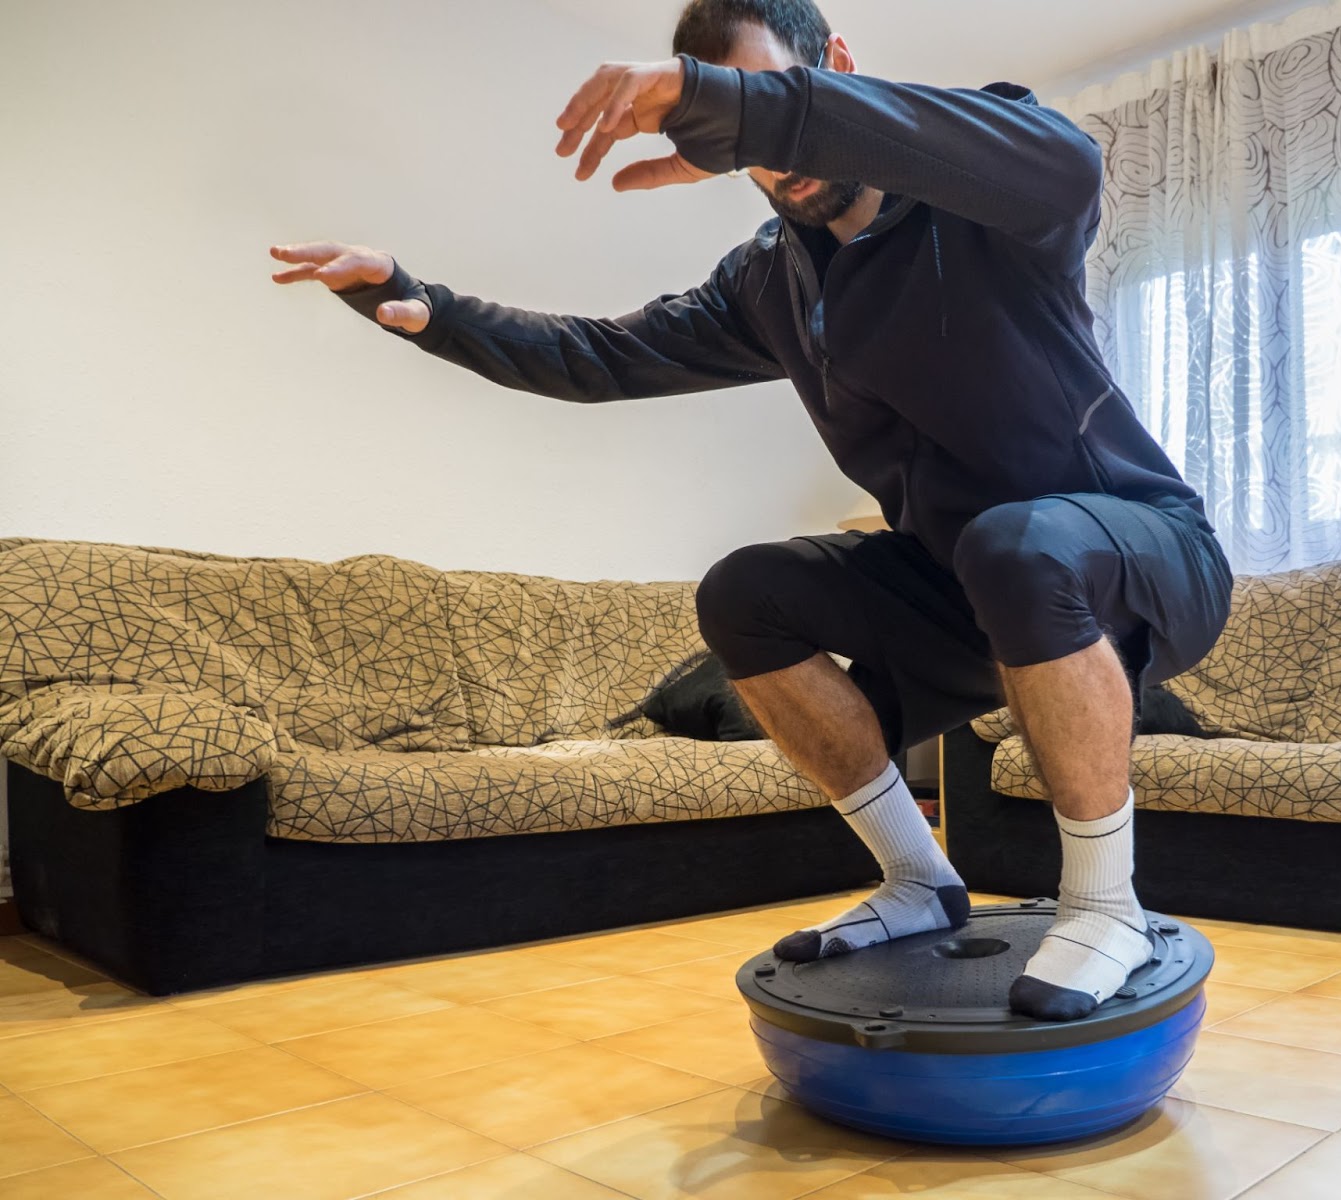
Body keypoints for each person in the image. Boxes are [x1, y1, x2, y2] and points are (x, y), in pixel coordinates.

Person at [267, 0, 1233, 1021]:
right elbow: (601, 357)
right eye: (750, 146)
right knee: (745, 593)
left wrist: (755, 109)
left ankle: (1106, 905)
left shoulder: (981, 189)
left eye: (773, 112)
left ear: (835, 69)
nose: (775, 164)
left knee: (1018, 542)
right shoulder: (769, 280)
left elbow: (1068, 165)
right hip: (969, 592)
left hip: (1142, 550)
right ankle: (918, 879)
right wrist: (428, 309)